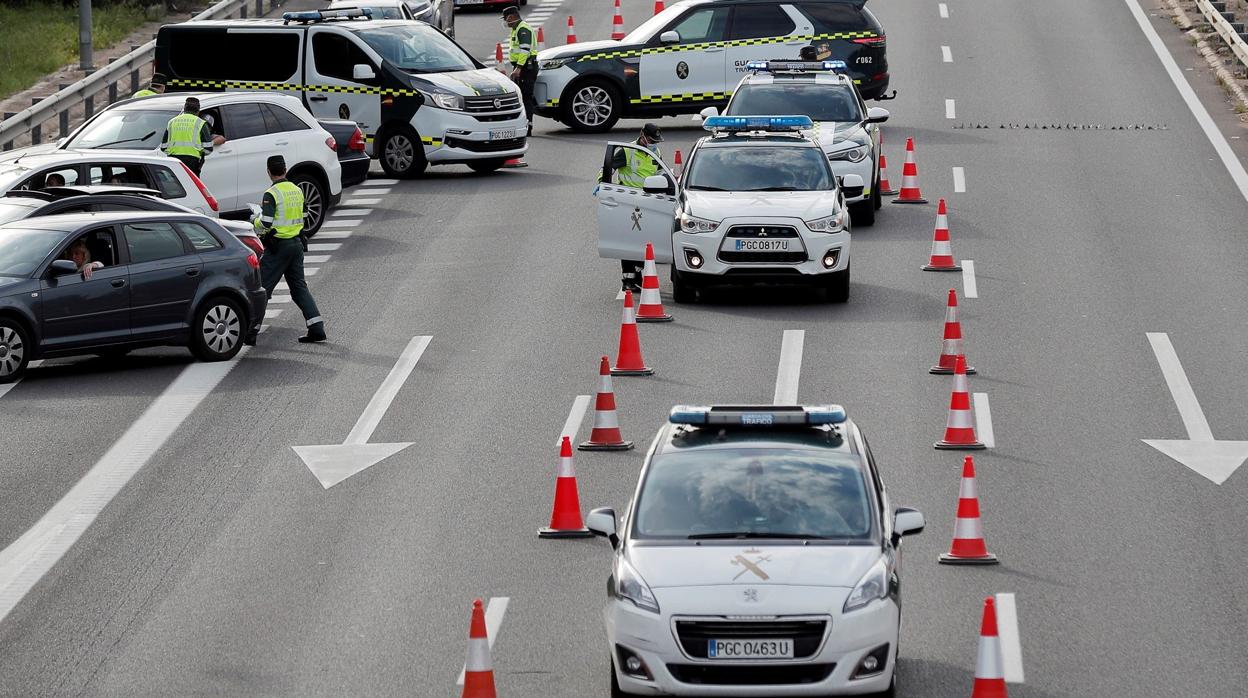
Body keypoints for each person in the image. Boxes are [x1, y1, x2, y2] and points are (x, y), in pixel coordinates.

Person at [254, 155, 326, 344]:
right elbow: (304, 213)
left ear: (269, 172)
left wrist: (255, 220)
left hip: (279, 247)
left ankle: (250, 332)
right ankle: (317, 328)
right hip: (296, 245)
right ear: (285, 170)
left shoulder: (272, 193)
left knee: (262, 288)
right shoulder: (296, 190)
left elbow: (266, 223)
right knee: (299, 288)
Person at [611, 123, 664, 291]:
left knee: (645, 242)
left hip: (648, 203)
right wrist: (602, 185)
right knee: (628, 241)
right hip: (629, 202)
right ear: (642, 135)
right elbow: (607, 167)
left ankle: (639, 276)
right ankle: (628, 279)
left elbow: (660, 173)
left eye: (655, 141)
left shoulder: (656, 152)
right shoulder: (627, 151)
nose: (653, 143)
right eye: (650, 140)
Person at [501, 5, 538, 168]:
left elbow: (524, 50)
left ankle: (528, 126)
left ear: (511, 17)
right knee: (524, 97)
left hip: (526, 68)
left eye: (506, 19)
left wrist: (518, 68)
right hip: (523, 67)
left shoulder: (523, 29)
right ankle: (526, 125)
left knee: (526, 98)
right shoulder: (517, 29)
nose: (505, 22)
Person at [160, 97, 215, 175]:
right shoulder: (200, 123)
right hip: (192, 162)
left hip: (173, 160)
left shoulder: (172, 122)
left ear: (184, 109)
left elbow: (163, 147)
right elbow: (208, 149)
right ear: (198, 111)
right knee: (191, 185)